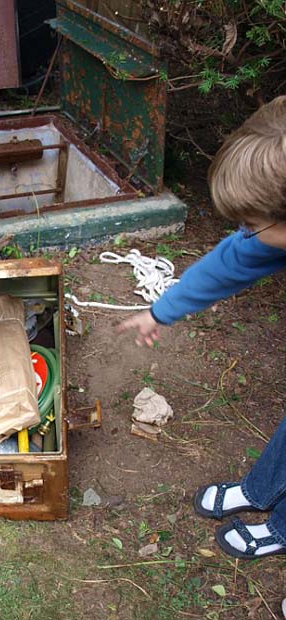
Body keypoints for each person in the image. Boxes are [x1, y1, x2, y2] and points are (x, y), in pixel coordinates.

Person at [119, 96, 286, 560]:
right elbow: (235, 260)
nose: (244, 233)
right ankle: (262, 489)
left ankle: (283, 527)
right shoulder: (269, 235)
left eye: (251, 224)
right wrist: (161, 311)